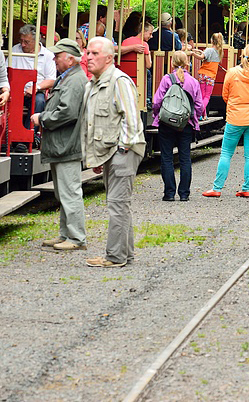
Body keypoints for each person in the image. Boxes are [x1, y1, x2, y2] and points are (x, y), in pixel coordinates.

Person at [80, 37, 147, 268]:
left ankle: (114, 256)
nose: (89, 57)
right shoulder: (94, 84)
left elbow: (131, 119)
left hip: (123, 150)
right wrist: (98, 155)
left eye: (95, 54)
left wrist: (121, 150)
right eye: (88, 53)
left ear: (109, 58)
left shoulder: (119, 81)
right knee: (120, 204)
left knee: (117, 204)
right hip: (112, 151)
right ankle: (124, 255)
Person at [31, 39, 88, 251]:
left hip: (67, 145)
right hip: (62, 144)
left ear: (70, 58)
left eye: (58, 55)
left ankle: (75, 238)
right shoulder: (68, 78)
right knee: (63, 192)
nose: (54, 59)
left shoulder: (74, 81)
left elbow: (67, 112)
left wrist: (42, 118)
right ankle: (66, 234)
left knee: (70, 192)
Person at [203, 44, 249, 198]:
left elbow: (225, 95)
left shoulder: (232, 73)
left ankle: (217, 188)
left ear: (242, 55)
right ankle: (246, 188)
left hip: (235, 118)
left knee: (226, 153)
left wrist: (235, 104)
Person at [152, 50, 205, 202]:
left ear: (172, 63)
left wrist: (158, 116)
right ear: (187, 63)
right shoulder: (193, 82)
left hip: (167, 124)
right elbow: (199, 106)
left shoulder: (166, 79)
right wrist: (194, 117)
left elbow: (157, 102)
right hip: (185, 124)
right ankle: (184, 194)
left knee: (167, 157)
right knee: (185, 158)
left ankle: (169, 194)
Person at [10, 24, 57, 152]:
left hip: (36, 91)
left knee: (39, 102)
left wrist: (36, 87)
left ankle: (25, 138)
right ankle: (9, 136)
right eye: (21, 41)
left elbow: (52, 79)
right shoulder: (15, 50)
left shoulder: (47, 55)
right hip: (17, 90)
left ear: (36, 41)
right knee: (9, 101)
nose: (23, 45)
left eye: (27, 42)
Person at [195, 32, 225, 112]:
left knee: (202, 94)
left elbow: (202, 57)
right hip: (211, 76)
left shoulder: (208, 50)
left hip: (203, 74)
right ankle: (203, 114)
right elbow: (207, 55)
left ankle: (199, 111)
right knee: (207, 96)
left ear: (211, 40)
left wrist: (193, 54)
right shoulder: (220, 52)